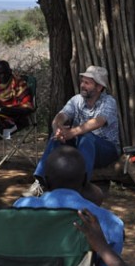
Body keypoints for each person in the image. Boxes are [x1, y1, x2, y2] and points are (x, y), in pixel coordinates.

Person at [25, 65, 119, 197]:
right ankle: (40, 182)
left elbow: (99, 121)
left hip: (106, 150)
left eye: (87, 83)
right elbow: (62, 115)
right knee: (56, 137)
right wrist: (58, 128)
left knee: (86, 136)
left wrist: (72, 132)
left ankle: (81, 186)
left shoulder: (109, 101)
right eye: (82, 81)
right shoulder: (77, 100)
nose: (82, 85)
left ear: (99, 87)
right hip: (82, 148)